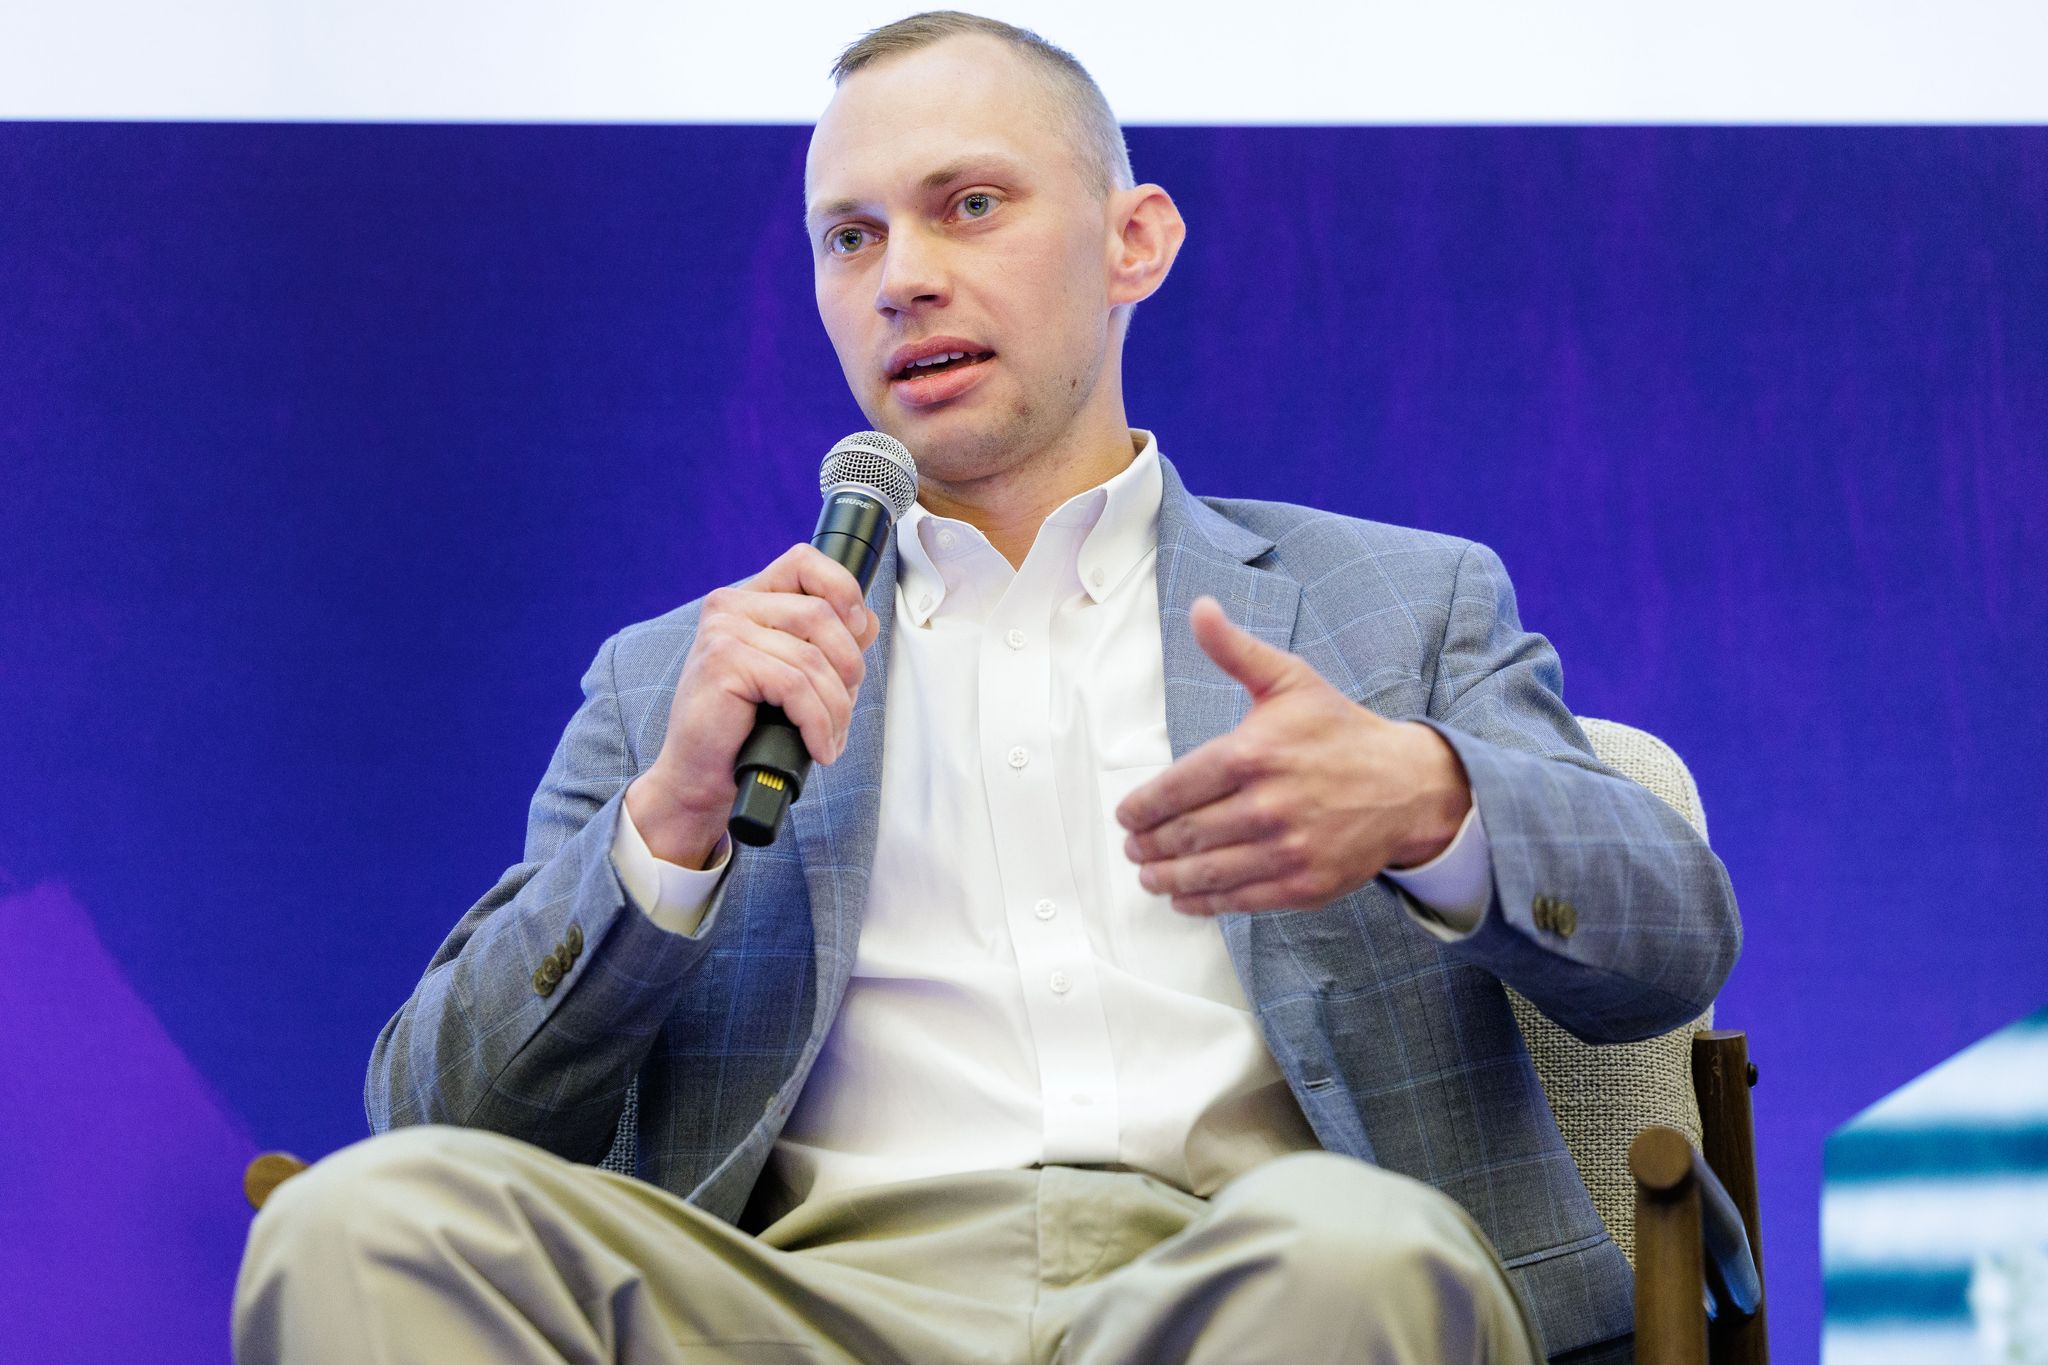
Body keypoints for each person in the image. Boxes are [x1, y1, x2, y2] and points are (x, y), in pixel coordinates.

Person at [234, 12, 1740, 1364]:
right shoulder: (680, 680)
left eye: (969, 205)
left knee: (1356, 1250)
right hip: (793, 1302)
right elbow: (439, 1116)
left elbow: (1671, 940)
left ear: (1132, 240)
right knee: (355, 1223)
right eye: (850, 237)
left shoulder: (1399, 603)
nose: (905, 277)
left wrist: (1429, 798)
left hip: (1247, 1276)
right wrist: (665, 830)